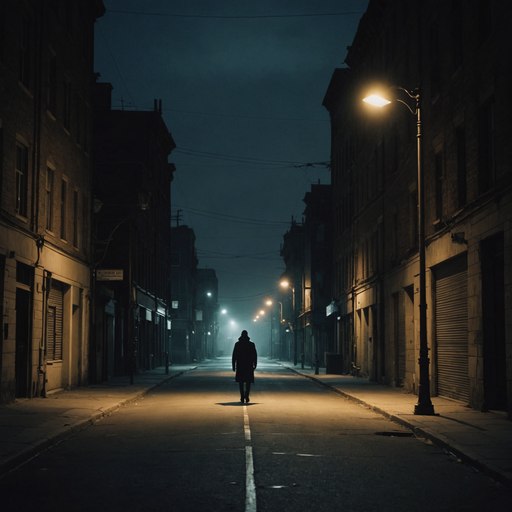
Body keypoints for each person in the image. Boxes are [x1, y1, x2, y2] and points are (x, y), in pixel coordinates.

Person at [232, 330, 257, 403]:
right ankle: (247, 395)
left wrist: (233, 365)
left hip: (240, 365)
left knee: (241, 382)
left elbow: (234, 356)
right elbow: (254, 355)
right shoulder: (251, 344)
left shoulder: (237, 344)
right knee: (248, 382)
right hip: (248, 365)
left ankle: (242, 396)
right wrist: (255, 364)